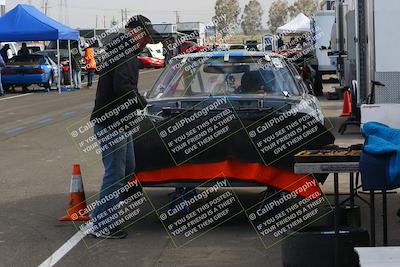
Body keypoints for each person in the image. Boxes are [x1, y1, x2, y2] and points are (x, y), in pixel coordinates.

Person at [88, 15, 160, 239]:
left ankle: (105, 214)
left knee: (127, 168)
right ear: (136, 33)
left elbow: (121, 86)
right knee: (116, 173)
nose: (147, 43)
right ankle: (102, 224)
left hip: (119, 122)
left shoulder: (121, 49)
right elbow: (123, 87)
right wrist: (142, 102)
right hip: (113, 123)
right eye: (146, 37)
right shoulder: (126, 53)